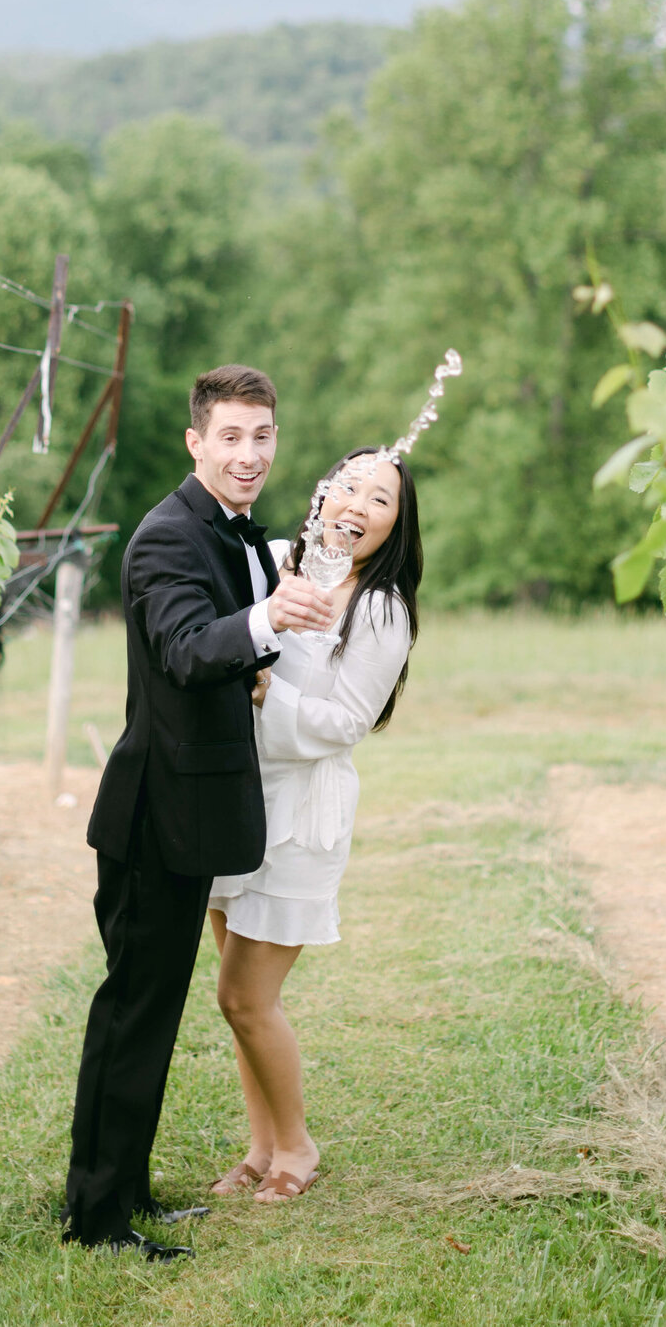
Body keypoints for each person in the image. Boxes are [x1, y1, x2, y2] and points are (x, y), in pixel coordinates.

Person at [62, 365, 335, 1261]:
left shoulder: (233, 533)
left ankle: (124, 1187)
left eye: (262, 436)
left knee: (153, 1011)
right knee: (133, 1013)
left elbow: (226, 658)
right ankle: (98, 1219)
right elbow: (184, 648)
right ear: (196, 441)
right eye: (231, 436)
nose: (249, 454)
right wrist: (264, 623)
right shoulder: (166, 537)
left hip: (187, 814)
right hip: (152, 816)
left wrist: (260, 644)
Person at [207, 446, 422, 1203]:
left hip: (301, 814)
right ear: (323, 493)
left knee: (244, 995)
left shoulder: (380, 607)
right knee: (240, 997)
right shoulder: (271, 562)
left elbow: (347, 721)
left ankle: (297, 1146)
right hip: (233, 796)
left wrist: (267, 694)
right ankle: (261, 1146)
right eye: (351, 486)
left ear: (397, 523)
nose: (361, 505)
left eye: (383, 498)